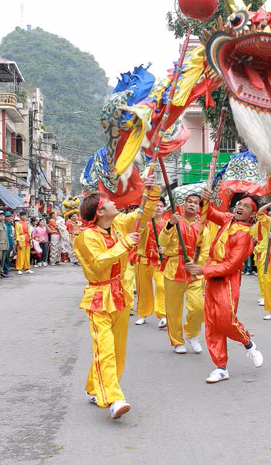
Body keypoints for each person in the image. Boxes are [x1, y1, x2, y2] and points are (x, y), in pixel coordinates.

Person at [73, 180, 159, 420]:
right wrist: (124, 244)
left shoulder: (120, 223)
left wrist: (150, 190)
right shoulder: (86, 237)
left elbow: (145, 212)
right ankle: (113, 397)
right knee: (106, 349)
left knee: (118, 350)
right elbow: (99, 262)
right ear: (99, 211)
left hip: (121, 295)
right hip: (99, 297)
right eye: (109, 202)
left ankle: (94, 387)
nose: (114, 203)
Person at [184, 187, 264, 384]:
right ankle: (221, 367)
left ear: (252, 214)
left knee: (225, 320)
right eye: (239, 204)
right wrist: (206, 201)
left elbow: (230, 265)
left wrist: (203, 271)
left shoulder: (245, 235)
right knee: (212, 323)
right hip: (212, 275)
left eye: (246, 206)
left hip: (227, 280)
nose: (240, 207)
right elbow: (210, 213)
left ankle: (248, 343)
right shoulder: (228, 219)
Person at [159, 193, 210, 354]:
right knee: (173, 309)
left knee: (198, 306)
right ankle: (177, 340)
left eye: (196, 203)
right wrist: (169, 225)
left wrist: (197, 264)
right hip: (174, 269)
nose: (192, 204)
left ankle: (192, 333)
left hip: (193, 272)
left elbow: (206, 250)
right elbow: (162, 242)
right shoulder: (174, 221)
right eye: (189, 202)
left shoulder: (204, 228)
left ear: (199, 208)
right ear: (184, 204)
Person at [134, 202, 167, 327]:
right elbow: (138, 233)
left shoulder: (166, 224)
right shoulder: (145, 223)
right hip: (144, 259)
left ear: (164, 209)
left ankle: (162, 314)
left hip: (160, 261)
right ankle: (143, 314)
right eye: (155, 206)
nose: (158, 208)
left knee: (161, 286)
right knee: (144, 289)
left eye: (160, 206)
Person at [4, 212, 15, 276]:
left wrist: (13, 243)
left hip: (10, 243)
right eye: (7, 216)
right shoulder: (4, 224)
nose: (9, 218)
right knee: (5, 257)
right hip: (6, 243)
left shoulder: (10, 225)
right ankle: (5, 270)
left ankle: (7, 270)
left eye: (10, 216)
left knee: (8, 257)